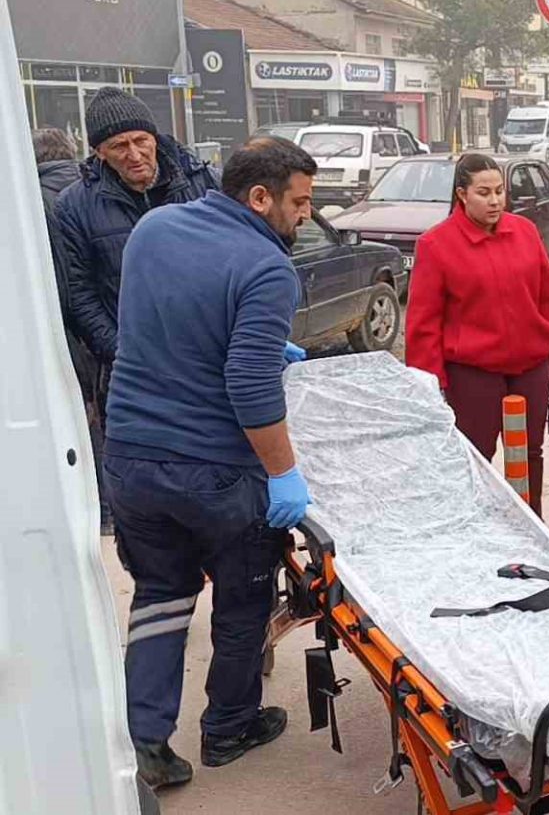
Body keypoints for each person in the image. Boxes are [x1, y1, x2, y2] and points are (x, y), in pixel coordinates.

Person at [104, 137, 317, 791]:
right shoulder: (267, 267)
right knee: (243, 597)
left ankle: (145, 743)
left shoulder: (153, 228)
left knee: (161, 595)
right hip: (215, 472)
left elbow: (163, 323)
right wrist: (282, 473)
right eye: (299, 202)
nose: (306, 214)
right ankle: (230, 726)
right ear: (259, 198)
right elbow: (249, 388)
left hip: (132, 458)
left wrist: (259, 342)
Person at [406, 153, 549, 516]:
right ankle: (477, 528)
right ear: (462, 194)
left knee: (530, 453)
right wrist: (428, 383)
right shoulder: (436, 244)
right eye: (484, 193)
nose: (495, 200)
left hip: (530, 367)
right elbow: (423, 323)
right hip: (472, 374)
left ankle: (532, 525)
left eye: (500, 191)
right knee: (475, 457)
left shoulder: (525, 231)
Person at [56, 87, 221, 385]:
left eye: (140, 141)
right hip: (134, 372)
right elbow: (79, 293)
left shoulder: (207, 184)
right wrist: (124, 355)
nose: (134, 155)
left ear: (154, 138)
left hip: (211, 359)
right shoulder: (74, 206)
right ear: (99, 152)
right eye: (119, 146)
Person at [34, 127, 110, 535]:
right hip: (107, 322)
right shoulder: (93, 193)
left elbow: (63, 281)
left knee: (81, 416)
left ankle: (101, 509)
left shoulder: (35, 202)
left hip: (72, 327)